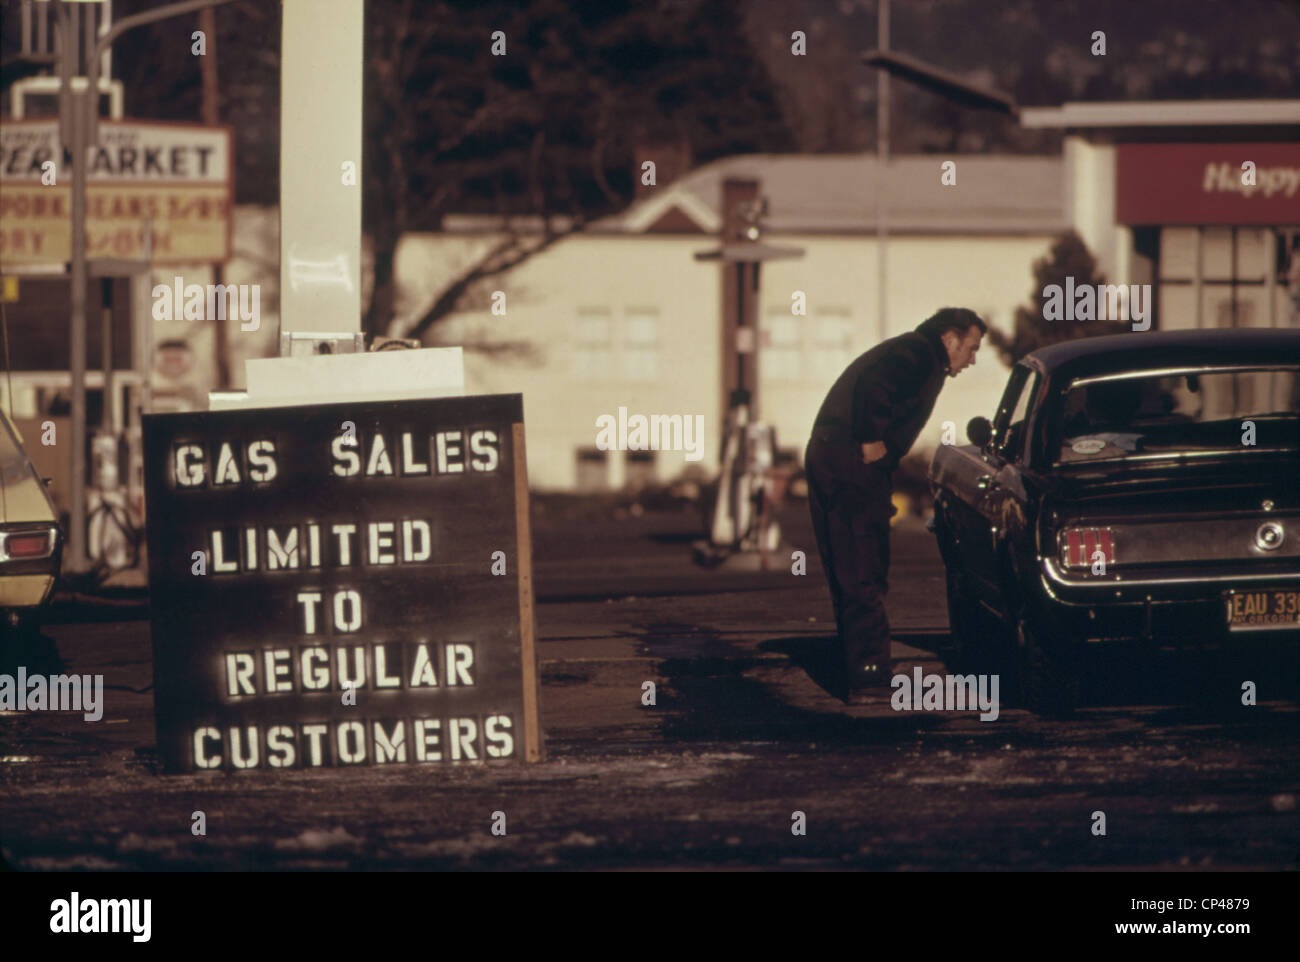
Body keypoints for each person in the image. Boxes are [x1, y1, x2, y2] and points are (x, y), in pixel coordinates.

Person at [805, 307, 986, 698]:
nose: (972, 360)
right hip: (849, 463)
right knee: (861, 564)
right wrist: (871, 440)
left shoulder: (917, 353)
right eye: (970, 349)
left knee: (855, 564)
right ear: (950, 339)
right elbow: (875, 384)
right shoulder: (918, 352)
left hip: (838, 461)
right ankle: (867, 672)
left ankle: (858, 662)